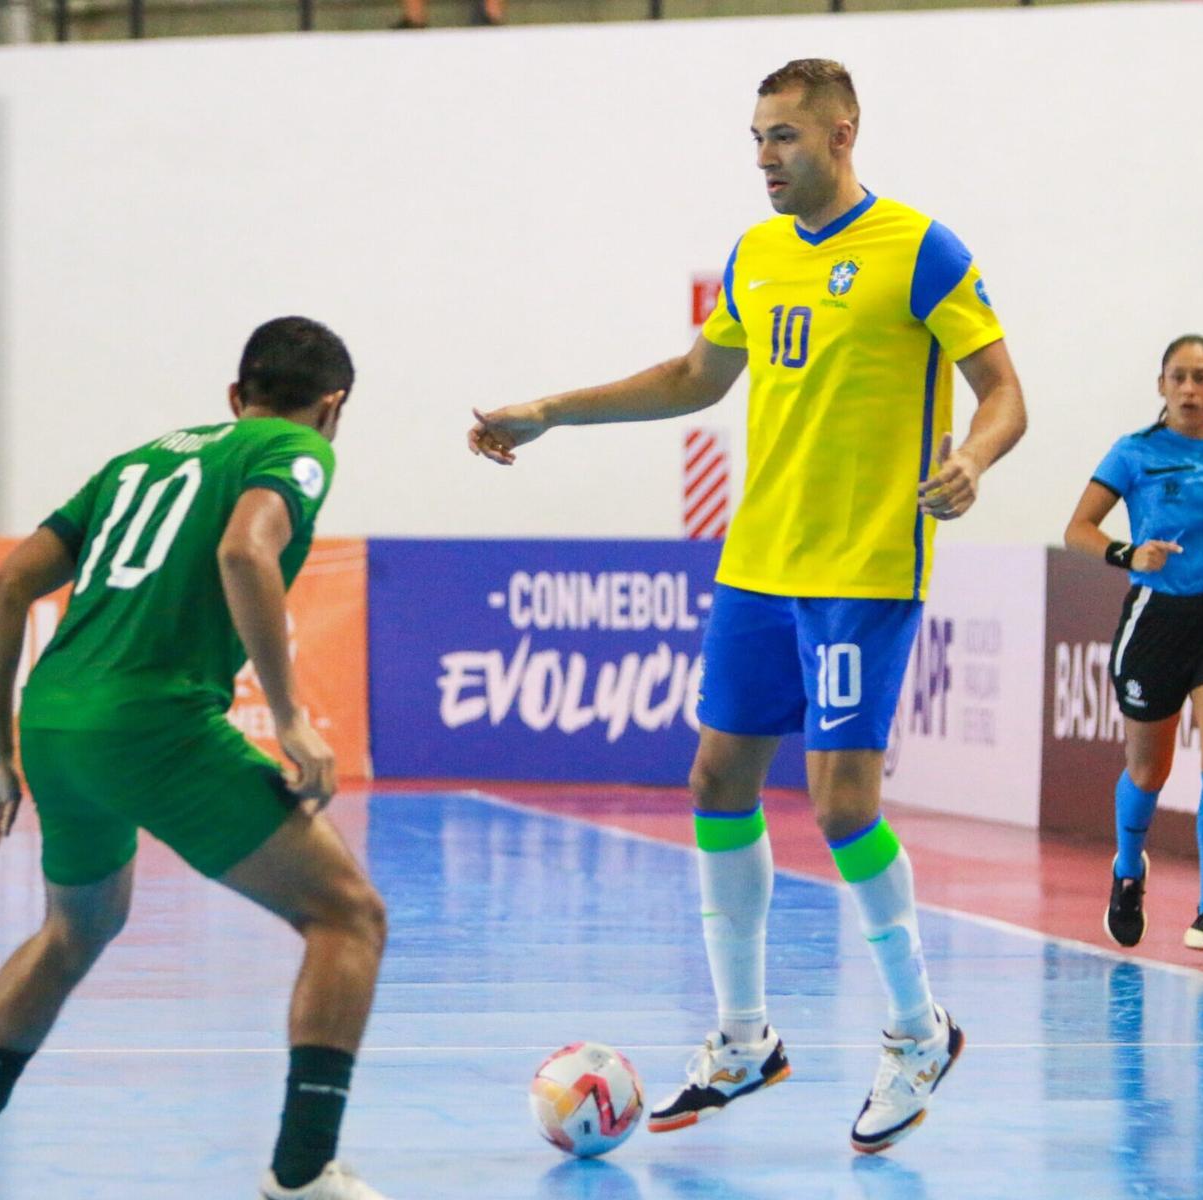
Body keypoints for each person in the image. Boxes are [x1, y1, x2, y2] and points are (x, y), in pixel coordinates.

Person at [468, 59, 1026, 1154]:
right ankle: (741, 1041)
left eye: (784, 138)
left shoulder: (920, 249)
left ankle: (919, 1029)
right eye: (757, 140)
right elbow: (691, 379)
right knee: (718, 778)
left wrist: (975, 458)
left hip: (863, 570)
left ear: (842, 132)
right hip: (758, 564)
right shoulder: (757, 255)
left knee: (842, 803)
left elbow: (1004, 389)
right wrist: (548, 412)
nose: (766, 158)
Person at [0, 317, 391, 1200]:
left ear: (235, 395)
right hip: (151, 722)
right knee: (347, 916)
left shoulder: (141, 459)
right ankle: (303, 1172)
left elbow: (5, 585)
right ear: (334, 407)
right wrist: (290, 719)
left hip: (53, 725)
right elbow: (245, 549)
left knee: (75, 930)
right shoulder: (295, 449)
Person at [1061, 334, 1203, 954]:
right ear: (1161, 386)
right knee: (1150, 769)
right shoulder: (1134, 453)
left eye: (1202, 377)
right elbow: (1077, 528)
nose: (1191, 389)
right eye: (1179, 378)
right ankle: (1129, 868)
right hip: (1155, 622)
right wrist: (1128, 553)